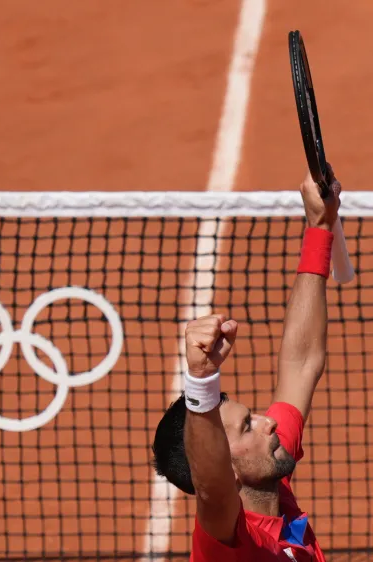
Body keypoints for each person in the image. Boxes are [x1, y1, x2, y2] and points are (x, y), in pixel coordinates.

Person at [151, 167, 342, 561]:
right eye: (247, 426)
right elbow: (211, 488)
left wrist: (319, 228)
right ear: (227, 468)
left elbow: (302, 362)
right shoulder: (226, 544)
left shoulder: (270, 474)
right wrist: (200, 380)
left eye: (250, 417)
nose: (267, 421)